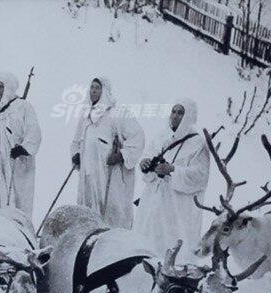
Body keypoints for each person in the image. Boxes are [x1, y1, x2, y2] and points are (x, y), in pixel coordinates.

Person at [134, 99, 210, 260]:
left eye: (180, 113)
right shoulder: (161, 136)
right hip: (153, 198)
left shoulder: (198, 143)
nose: (175, 116)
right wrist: (145, 164)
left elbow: (200, 176)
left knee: (171, 243)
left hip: (177, 206)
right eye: (173, 111)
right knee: (147, 236)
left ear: (189, 116)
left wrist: (174, 170)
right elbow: (149, 155)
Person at [70, 77, 144, 229]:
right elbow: (77, 140)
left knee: (111, 211)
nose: (94, 91)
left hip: (109, 173)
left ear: (105, 91)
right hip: (89, 173)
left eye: (97, 87)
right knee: (87, 208)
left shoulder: (118, 113)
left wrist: (121, 155)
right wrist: (76, 154)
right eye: (92, 87)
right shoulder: (86, 115)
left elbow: (137, 137)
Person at [0, 71, 41, 217]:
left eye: (1, 87)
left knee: (18, 196)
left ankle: (20, 227)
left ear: (9, 88)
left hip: (17, 161)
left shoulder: (24, 107)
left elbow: (34, 132)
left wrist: (23, 149)